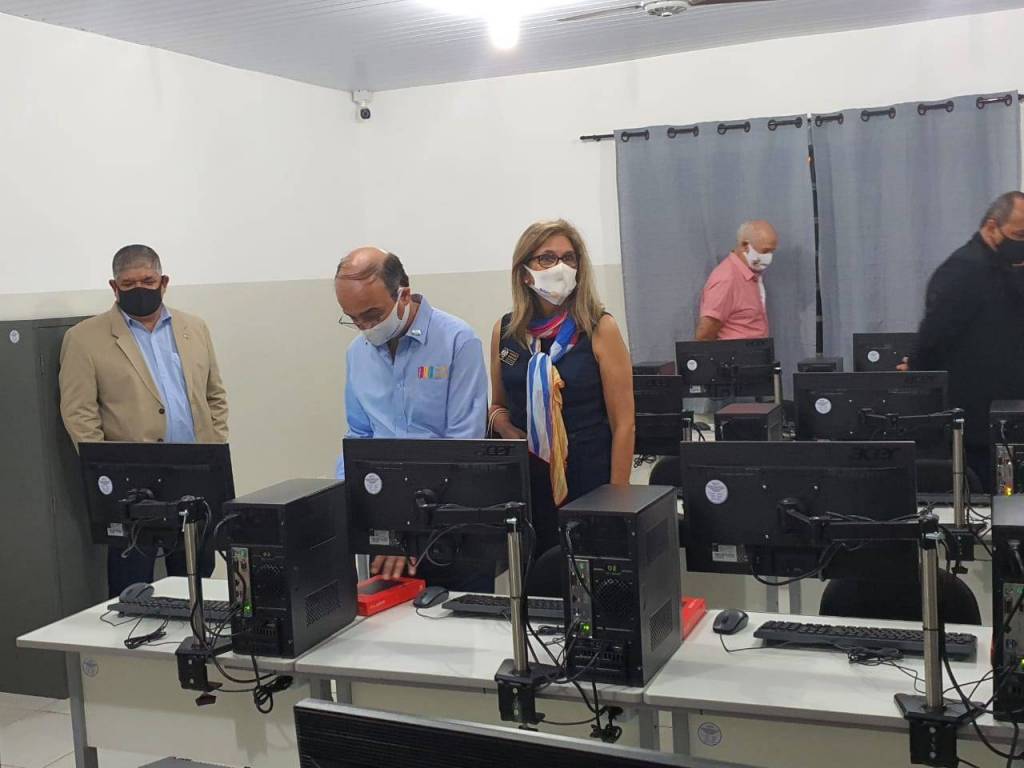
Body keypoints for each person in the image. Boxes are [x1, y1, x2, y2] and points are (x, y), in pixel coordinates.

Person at [59, 244, 229, 598]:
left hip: (194, 474)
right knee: (132, 584)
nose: (139, 289)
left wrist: (213, 445)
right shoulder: (84, 339)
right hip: (133, 486)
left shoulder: (194, 328)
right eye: (129, 283)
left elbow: (214, 394)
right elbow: (78, 412)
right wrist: (106, 469)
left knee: (197, 578)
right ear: (114, 287)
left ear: (163, 282)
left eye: (148, 281)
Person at [488, 220, 634, 592]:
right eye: (547, 258)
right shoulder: (505, 332)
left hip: (589, 480)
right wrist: (505, 427)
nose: (560, 267)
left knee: (590, 588)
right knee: (537, 588)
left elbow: (624, 424)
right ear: (524, 273)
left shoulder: (599, 328)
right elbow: (498, 406)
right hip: (528, 484)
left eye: (569, 258)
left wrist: (617, 500)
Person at [334, 247, 489, 588]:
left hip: (450, 526)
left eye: (373, 315)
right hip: (385, 531)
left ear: (403, 294)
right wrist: (345, 509)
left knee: (458, 617)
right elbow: (359, 439)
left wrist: (409, 529)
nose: (365, 327)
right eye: (353, 318)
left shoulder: (457, 341)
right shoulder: (356, 354)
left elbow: (462, 447)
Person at [906, 191, 1024, 492]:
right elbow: (931, 342)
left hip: (1011, 415)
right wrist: (916, 373)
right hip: (979, 424)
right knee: (995, 501)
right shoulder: (962, 270)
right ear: (992, 227)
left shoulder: (1005, 268)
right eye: (1019, 235)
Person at [696, 220, 778, 341]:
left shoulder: (751, 275)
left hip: (755, 351)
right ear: (745, 245)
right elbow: (704, 336)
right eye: (765, 251)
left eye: (772, 251)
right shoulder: (726, 279)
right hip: (736, 353)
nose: (769, 257)